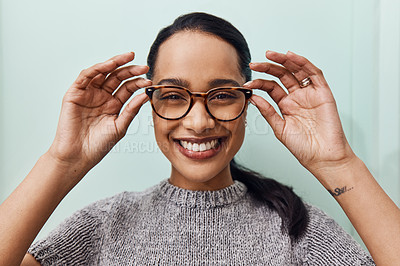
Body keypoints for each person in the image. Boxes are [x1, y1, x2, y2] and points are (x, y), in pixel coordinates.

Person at [0, 12, 399, 265]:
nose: (200, 120)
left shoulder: (299, 230)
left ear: (248, 101)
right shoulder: (105, 225)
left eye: (222, 95)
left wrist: (338, 163)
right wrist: (62, 162)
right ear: (148, 101)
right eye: (174, 97)